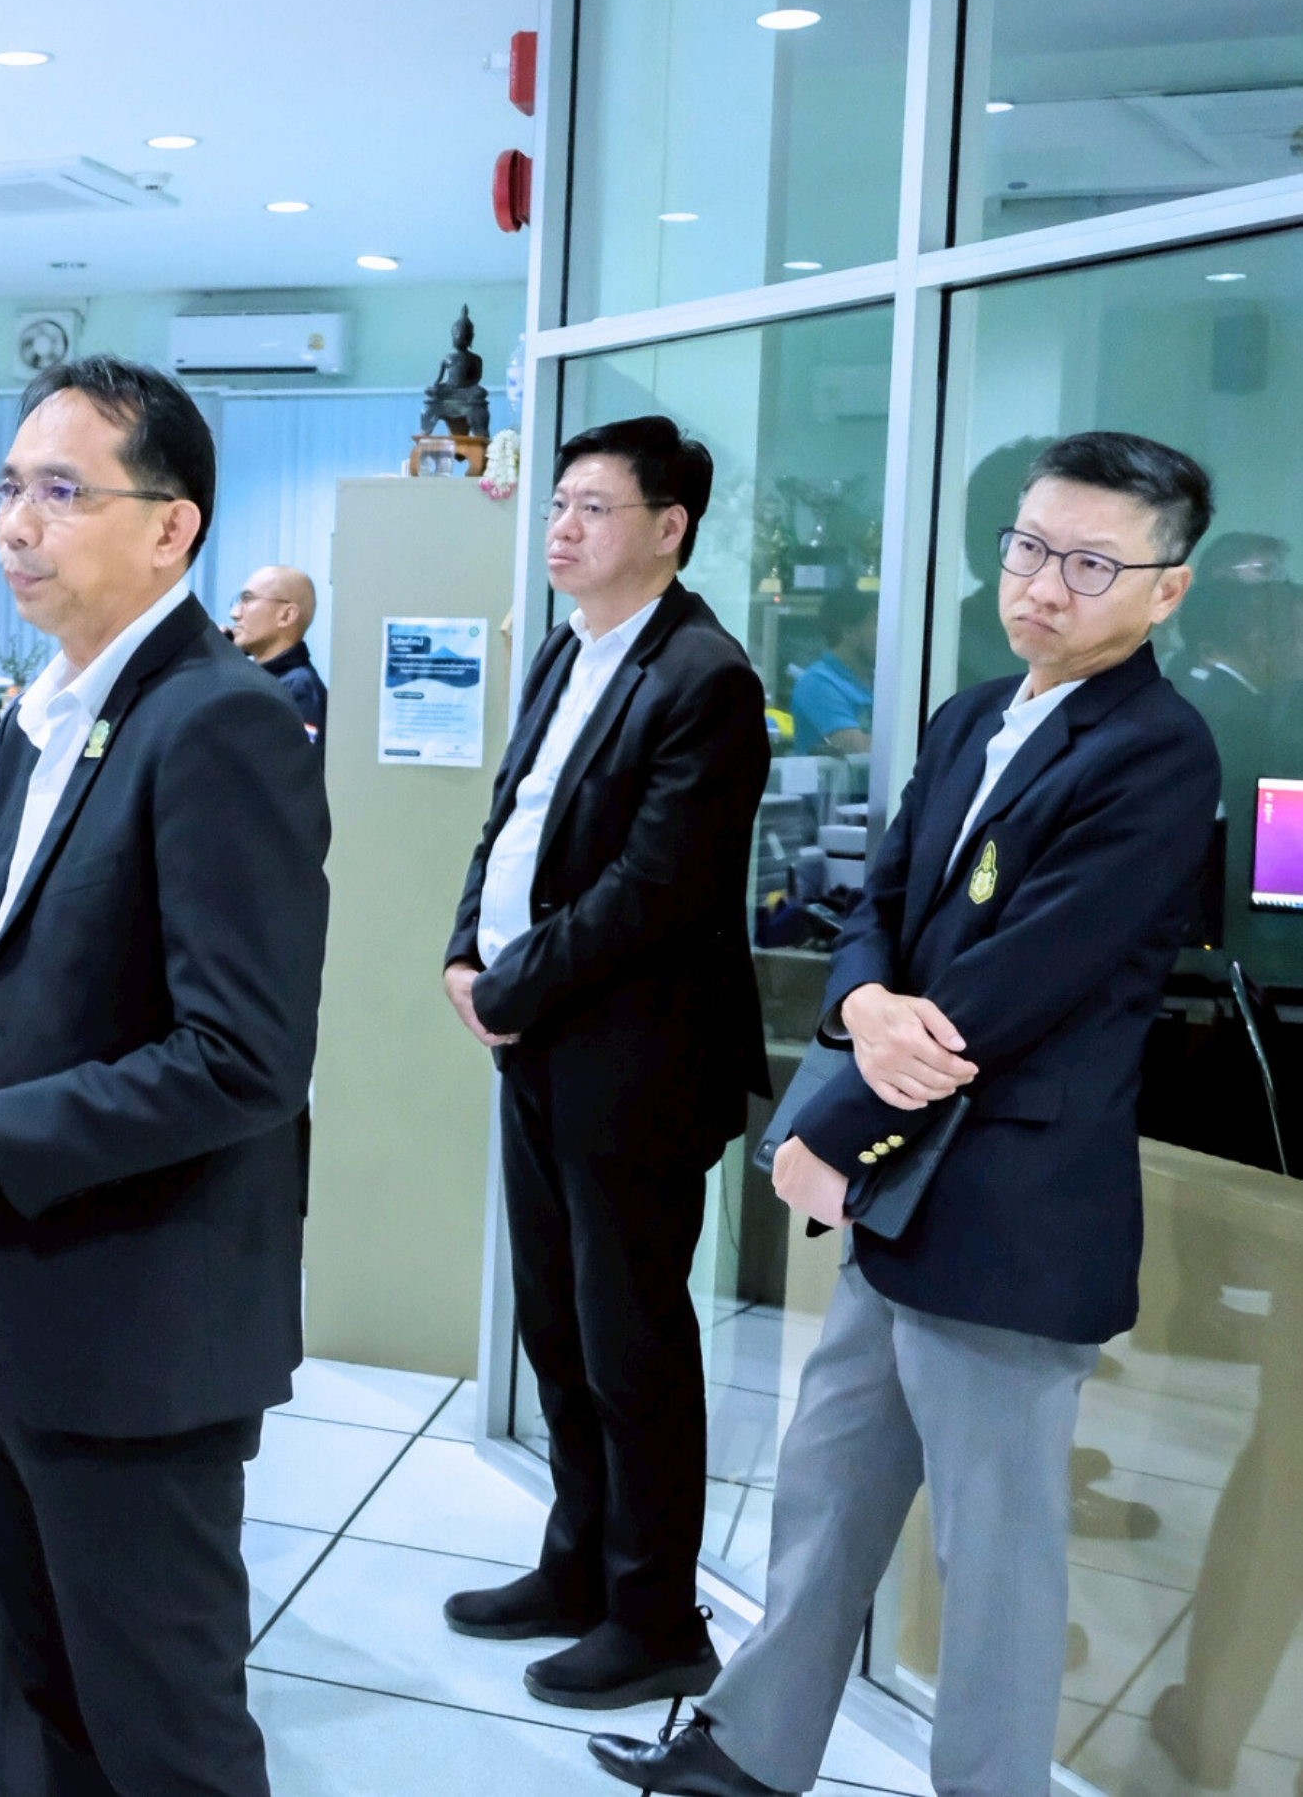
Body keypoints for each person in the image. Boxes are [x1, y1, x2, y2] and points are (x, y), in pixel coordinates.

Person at [592, 431, 1222, 1797]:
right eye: (1028, 547)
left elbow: (1017, 986)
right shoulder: (971, 714)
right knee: (826, 1486)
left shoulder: (1157, 754)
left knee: (992, 1555)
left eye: (1089, 564)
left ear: (1166, 589)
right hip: (904, 1195)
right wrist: (865, 1000)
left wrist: (828, 1130)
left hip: (1009, 1211)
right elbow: (881, 899)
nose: (1041, 585)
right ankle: (751, 1749)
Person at [0, 357, 327, 1797]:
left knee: (164, 1738)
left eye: (61, 491)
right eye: (9, 487)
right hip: (18, 1308)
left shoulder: (219, 720)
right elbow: (30, 974)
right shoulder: (47, 717)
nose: (15, 523)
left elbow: (242, 1059)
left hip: (137, 1333)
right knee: (60, 1710)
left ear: (171, 529)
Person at [438, 414, 771, 1711]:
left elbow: (654, 889)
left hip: (637, 1059)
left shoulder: (703, 677)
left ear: (668, 528)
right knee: (555, 1322)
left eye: (591, 507)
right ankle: (575, 1565)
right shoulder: (568, 649)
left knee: (632, 1341)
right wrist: (464, 948)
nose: (561, 528)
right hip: (539, 1042)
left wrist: (508, 987)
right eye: (557, 503)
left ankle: (656, 1616)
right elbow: (512, 819)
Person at [227, 563, 327, 738]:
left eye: (248, 599)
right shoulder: (254, 680)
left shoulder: (299, 688)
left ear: (286, 616)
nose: (234, 613)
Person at [789, 591, 875, 754]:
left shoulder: (881, 680)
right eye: (876, 623)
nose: (884, 633)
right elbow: (859, 750)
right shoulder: (816, 683)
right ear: (848, 632)